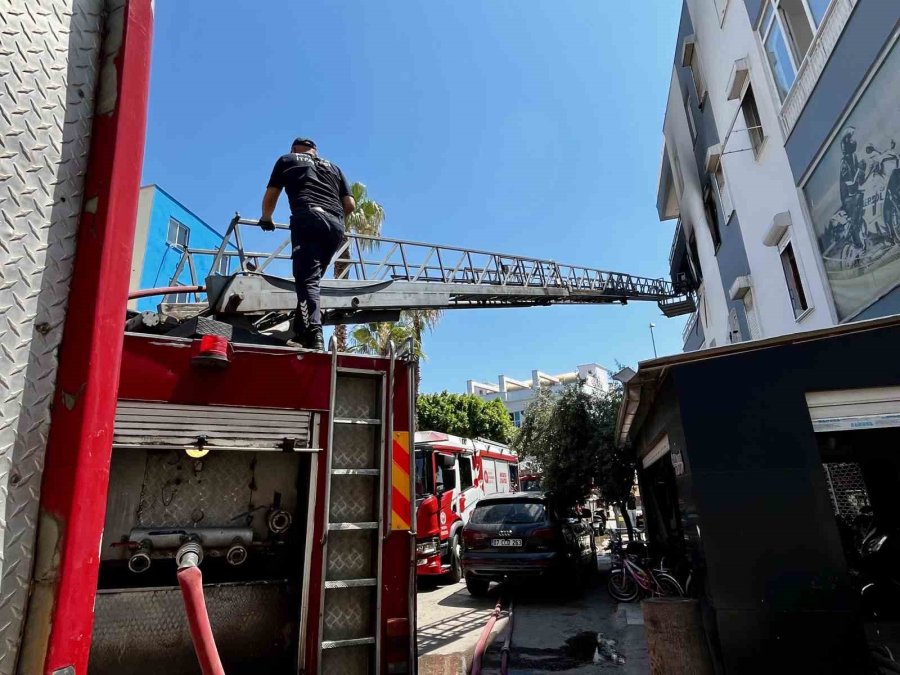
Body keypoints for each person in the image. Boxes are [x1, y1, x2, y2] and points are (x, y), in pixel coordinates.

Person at [259, 138, 355, 349]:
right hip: (335, 226)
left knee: (307, 282)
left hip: (308, 218)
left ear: (294, 148)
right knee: (312, 280)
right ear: (315, 151)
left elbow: (272, 192)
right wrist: (334, 217)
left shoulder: (287, 159)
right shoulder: (334, 167)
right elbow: (350, 204)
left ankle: (314, 335)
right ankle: (302, 333)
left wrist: (266, 218)